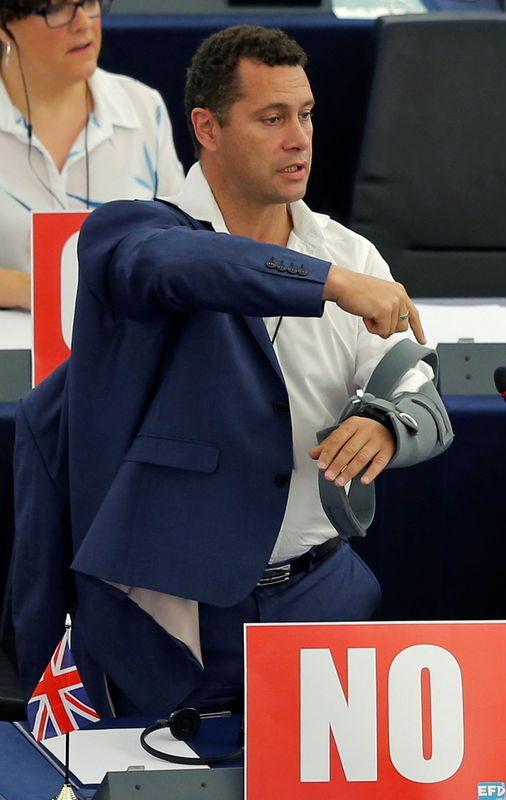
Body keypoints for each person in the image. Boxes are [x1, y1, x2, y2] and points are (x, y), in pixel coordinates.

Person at [12, 25, 453, 718]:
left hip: (322, 599)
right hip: (174, 616)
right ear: (206, 128)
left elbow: (422, 393)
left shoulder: (351, 252)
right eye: (271, 118)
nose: (298, 138)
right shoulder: (128, 236)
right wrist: (325, 284)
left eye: (305, 115)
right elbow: (192, 269)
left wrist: (386, 424)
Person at [0, 0, 184, 310]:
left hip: (129, 339)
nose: (83, 23)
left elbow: (183, 243)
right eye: (56, 9)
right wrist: (34, 290)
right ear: (5, 29)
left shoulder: (142, 107)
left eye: (88, 3)